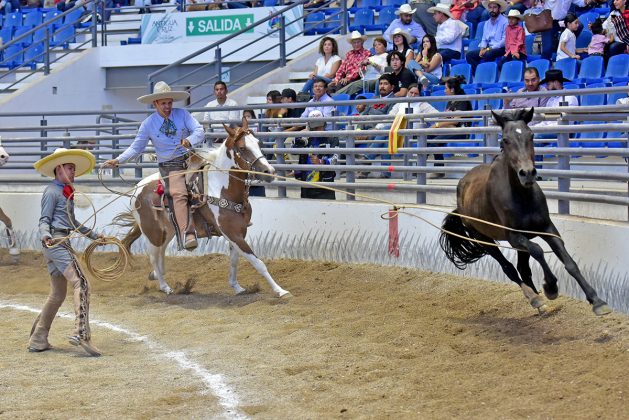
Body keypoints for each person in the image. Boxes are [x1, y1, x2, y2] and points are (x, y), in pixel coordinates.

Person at [103, 81, 205, 251]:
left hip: (192, 159)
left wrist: (189, 140)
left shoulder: (183, 114)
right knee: (178, 193)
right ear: (155, 103)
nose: (167, 106)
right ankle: (187, 233)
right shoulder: (148, 124)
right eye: (163, 103)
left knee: (215, 174)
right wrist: (118, 160)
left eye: (169, 102)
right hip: (170, 166)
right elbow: (136, 147)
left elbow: (199, 131)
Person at [29, 148, 104, 356]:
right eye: (70, 168)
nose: (73, 172)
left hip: (59, 241)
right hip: (56, 242)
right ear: (59, 169)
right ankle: (81, 333)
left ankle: (38, 338)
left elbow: (74, 223)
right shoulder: (52, 192)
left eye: (73, 169)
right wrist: (45, 235)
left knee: (58, 293)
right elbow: (44, 219)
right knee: (82, 282)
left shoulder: (66, 192)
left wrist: (95, 236)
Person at [428, 75, 473, 179]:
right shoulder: (450, 101)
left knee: (435, 143)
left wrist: (438, 125)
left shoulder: (462, 100)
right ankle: (420, 167)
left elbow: (456, 121)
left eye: (446, 88)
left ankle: (439, 170)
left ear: (452, 90)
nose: (444, 91)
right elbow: (448, 120)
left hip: (461, 132)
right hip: (449, 129)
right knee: (426, 137)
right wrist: (442, 125)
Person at [356, 73, 398, 179]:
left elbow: (388, 119)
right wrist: (360, 129)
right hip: (366, 129)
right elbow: (363, 115)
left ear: (392, 87)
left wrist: (371, 131)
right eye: (380, 84)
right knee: (343, 135)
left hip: (379, 129)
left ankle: (366, 165)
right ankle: (341, 168)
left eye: (385, 84)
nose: (382, 86)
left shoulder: (395, 101)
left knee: (383, 135)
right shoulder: (374, 98)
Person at [293, 110, 339, 200]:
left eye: (320, 126)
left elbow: (335, 159)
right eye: (315, 127)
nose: (318, 129)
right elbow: (293, 150)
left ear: (324, 124)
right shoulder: (305, 139)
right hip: (306, 184)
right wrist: (299, 137)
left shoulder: (332, 138)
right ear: (310, 126)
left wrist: (321, 162)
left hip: (325, 184)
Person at [465, 0, 508, 73]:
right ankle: (480, 74)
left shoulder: (505, 21)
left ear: (499, 9)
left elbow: (504, 41)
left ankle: (488, 74)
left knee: (488, 53)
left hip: (501, 48)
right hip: (489, 48)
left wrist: (488, 49)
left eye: (494, 7)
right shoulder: (487, 23)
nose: (492, 10)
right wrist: (482, 48)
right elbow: (484, 39)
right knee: (469, 55)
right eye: (490, 7)